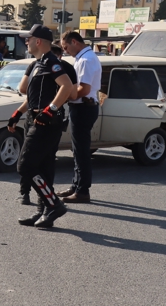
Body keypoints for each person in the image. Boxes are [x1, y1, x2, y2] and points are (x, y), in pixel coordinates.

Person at [7, 24, 73, 228]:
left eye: (28, 39)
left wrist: (51, 109)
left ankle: (53, 204)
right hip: (36, 118)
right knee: (43, 168)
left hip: (46, 123)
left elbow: (67, 86)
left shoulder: (52, 63)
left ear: (38, 41)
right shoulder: (38, 63)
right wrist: (18, 113)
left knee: (25, 165)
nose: (25, 41)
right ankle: (42, 211)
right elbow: (34, 97)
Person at [17, 43, 77, 205]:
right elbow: (25, 90)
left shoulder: (58, 69)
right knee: (39, 159)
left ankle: (42, 200)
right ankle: (42, 200)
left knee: (30, 160)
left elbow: (70, 92)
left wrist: (52, 97)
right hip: (38, 115)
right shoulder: (40, 65)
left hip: (47, 118)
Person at [58, 31, 102, 203]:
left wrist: (64, 96)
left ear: (74, 42)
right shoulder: (85, 58)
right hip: (84, 107)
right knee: (78, 150)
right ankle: (76, 186)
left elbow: (82, 90)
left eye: (66, 47)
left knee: (81, 151)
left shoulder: (85, 60)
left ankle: (82, 191)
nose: (66, 50)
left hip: (84, 107)